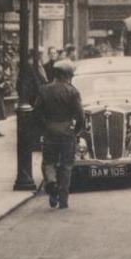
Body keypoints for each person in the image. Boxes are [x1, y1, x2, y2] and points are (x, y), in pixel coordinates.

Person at [33, 58, 86, 207]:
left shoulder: (44, 89)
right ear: (68, 74)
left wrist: (43, 128)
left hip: (50, 130)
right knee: (66, 165)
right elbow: (80, 115)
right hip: (67, 131)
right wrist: (76, 131)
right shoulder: (72, 91)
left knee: (49, 162)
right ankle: (63, 199)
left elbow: (36, 113)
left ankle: (51, 184)